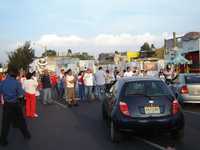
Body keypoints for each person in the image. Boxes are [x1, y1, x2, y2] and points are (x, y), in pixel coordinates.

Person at [0, 67, 31, 147]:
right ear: (15, 75)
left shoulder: (2, 82)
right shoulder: (16, 83)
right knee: (21, 121)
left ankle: (3, 140)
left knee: (5, 124)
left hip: (6, 105)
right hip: (15, 104)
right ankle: (26, 135)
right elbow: (21, 94)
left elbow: (1, 92)